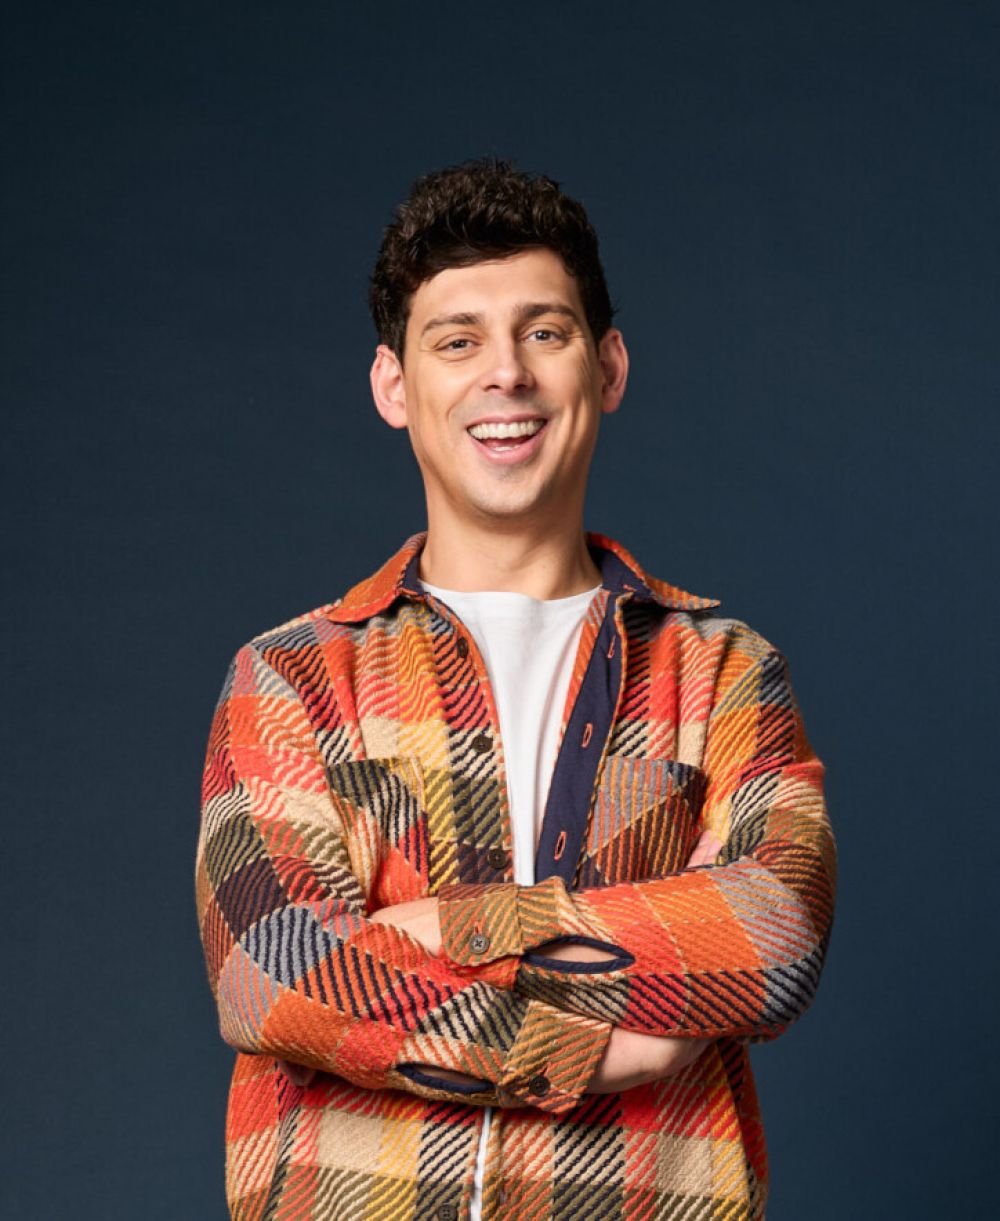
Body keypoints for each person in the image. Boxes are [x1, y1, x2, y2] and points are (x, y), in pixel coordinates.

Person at [196, 160, 836, 1220]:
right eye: (457, 341)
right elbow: (269, 967)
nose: (506, 373)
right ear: (393, 387)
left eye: (544, 332)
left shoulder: (725, 669)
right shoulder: (291, 677)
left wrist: (430, 933)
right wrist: (574, 1045)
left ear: (607, 366)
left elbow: (772, 934)